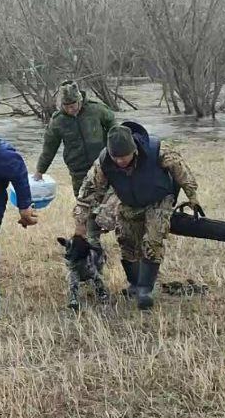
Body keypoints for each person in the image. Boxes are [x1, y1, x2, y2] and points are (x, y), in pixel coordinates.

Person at [73, 121, 201, 309]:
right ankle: (134, 283)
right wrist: (80, 224)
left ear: (134, 150)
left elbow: (181, 171)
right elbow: (88, 193)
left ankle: (145, 289)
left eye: (124, 157)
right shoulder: (103, 162)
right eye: (116, 157)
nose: (120, 161)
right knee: (127, 242)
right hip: (128, 202)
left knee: (152, 240)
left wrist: (192, 196)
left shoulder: (157, 149)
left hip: (159, 199)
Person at [34, 80, 116, 245]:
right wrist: (40, 171)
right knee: (84, 206)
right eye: (67, 106)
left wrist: (115, 151)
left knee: (108, 203)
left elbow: (115, 128)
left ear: (80, 100)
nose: (72, 109)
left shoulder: (97, 109)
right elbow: (49, 148)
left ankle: (111, 232)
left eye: (74, 104)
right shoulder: (57, 121)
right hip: (78, 170)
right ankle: (91, 241)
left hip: (103, 166)